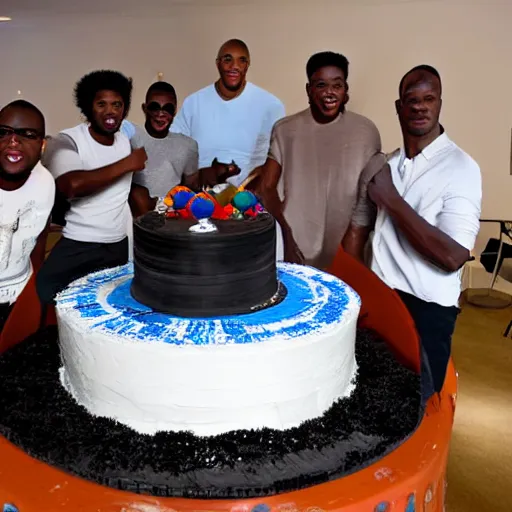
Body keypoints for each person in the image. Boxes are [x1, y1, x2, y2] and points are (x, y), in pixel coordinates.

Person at [368, 65, 482, 395]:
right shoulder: (388, 164)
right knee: (376, 402)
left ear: (439, 103)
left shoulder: (462, 167)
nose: (419, 106)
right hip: (381, 302)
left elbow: (452, 256)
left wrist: (391, 200)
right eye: (411, 99)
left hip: (426, 311)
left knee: (418, 406)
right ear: (399, 107)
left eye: (428, 98)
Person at [246, 51, 385, 270]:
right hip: (295, 251)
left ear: (346, 91)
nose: (329, 93)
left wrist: (355, 250)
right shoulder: (286, 130)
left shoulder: (366, 131)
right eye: (321, 85)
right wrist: (287, 238)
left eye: (337, 85)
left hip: (346, 252)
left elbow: (369, 199)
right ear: (309, 90)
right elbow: (266, 187)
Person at [37, 70, 147, 305]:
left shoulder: (125, 142)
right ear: (88, 107)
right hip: (80, 242)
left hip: (117, 245)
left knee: (108, 304)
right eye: (101, 104)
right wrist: (127, 164)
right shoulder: (67, 140)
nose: (110, 111)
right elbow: (72, 185)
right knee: (43, 293)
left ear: (125, 109)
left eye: (117, 104)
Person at [170, 39, 285, 187]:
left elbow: (280, 158)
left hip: (251, 200)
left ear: (248, 65)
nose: (234, 66)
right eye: (227, 59)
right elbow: (174, 148)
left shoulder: (271, 105)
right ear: (217, 63)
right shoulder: (194, 103)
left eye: (241, 60)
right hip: (201, 200)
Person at [0, 100, 55, 330]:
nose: (14, 141)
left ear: (42, 145)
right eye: (3, 132)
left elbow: (38, 239)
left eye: (28, 134)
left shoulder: (45, 182)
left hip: (19, 298)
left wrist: (33, 297)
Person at [123, 81, 199, 217]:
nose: (161, 113)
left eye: (167, 108)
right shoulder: (129, 137)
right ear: (144, 108)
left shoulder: (188, 146)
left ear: (175, 111)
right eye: (154, 107)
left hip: (172, 224)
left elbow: (190, 190)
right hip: (136, 223)